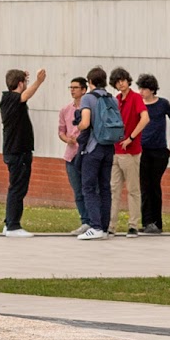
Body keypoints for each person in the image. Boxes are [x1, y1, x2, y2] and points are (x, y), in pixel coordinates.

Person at [0, 67, 45, 236]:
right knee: (18, 188)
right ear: (19, 84)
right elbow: (24, 96)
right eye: (24, 82)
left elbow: (22, 95)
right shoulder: (12, 99)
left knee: (16, 188)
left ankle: (9, 222)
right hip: (18, 152)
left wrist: (25, 78)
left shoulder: (8, 99)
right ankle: (13, 226)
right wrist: (38, 82)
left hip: (15, 151)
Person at [74, 65, 120, 239]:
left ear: (90, 81)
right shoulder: (112, 99)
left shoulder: (88, 99)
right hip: (109, 146)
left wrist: (78, 126)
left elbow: (85, 123)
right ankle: (105, 227)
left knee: (88, 187)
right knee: (105, 187)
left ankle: (95, 226)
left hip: (93, 147)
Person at [134, 74, 170, 234]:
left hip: (159, 150)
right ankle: (147, 222)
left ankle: (157, 223)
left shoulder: (163, 104)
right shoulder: (139, 104)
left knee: (155, 185)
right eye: (140, 88)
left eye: (144, 88)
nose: (141, 91)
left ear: (152, 89)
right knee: (144, 186)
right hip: (142, 150)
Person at [109, 69, 145, 233]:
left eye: (122, 80)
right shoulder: (116, 100)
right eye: (117, 82)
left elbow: (145, 118)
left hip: (130, 151)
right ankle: (111, 225)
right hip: (116, 150)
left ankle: (133, 225)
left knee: (133, 189)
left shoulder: (136, 98)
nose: (120, 84)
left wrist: (131, 137)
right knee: (114, 189)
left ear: (127, 80)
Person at [55, 74, 90, 209]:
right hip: (71, 154)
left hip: (86, 152)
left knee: (89, 189)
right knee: (77, 191)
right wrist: (66, 139)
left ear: (83, 90)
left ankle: (93, 220)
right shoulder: (65, 110)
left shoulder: (89, 108)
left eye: (75, 87)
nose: (72, 90)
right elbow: (61, 131)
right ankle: (84, 219)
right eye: (71, 87)